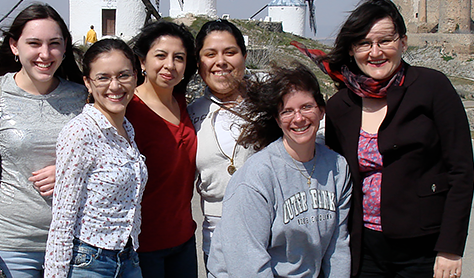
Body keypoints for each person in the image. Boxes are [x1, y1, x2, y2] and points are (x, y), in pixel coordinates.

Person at [294, 0, 474, 278]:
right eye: (364, 43)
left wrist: (450, 248)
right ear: (352, 50)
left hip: (422, 248)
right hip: (363, 248)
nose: (375, 52)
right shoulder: (342, 105)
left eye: (385, 41)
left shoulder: (432, 87)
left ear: (402, 42)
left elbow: (461, 171)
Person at [0, 3, 86, 278]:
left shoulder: (83, 97)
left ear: (65, 47)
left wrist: (70, 172)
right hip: (10, 246)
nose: (45, 54)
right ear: (14, 47)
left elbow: (113, 161)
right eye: (34, 43)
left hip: (76, 244)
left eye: (54, 44)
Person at [207, 64, 352, 278]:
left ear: (322, 110)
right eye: (287, 111)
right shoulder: (257, 176)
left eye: (306, 107)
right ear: (277, 119)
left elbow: (337, 249)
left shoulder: (338, 168)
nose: (299, 118)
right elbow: (247, 262)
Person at [45, 39, 146, 278]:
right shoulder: (80, 131)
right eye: (103, 77)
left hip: (129, 258)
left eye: (123, 75)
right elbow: (63, 214)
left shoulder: (127, 129)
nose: (115, 85)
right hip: (90, 262)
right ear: (87, 83)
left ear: (135, 77)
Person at [125, 20, 198, 278]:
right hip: (143, 246)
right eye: (161, 56)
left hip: (184, 239)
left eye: (179, 57)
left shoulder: (182, 102)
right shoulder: (127, 109)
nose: (170, 65)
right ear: (142, 62)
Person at [186, 19, 255, 265]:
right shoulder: (189, 116)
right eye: (210, 54)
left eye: (230, 52)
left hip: (271, 238)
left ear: (244, 56)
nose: (221, 61)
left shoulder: (271, 109)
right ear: (198, 62)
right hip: (217, 244)